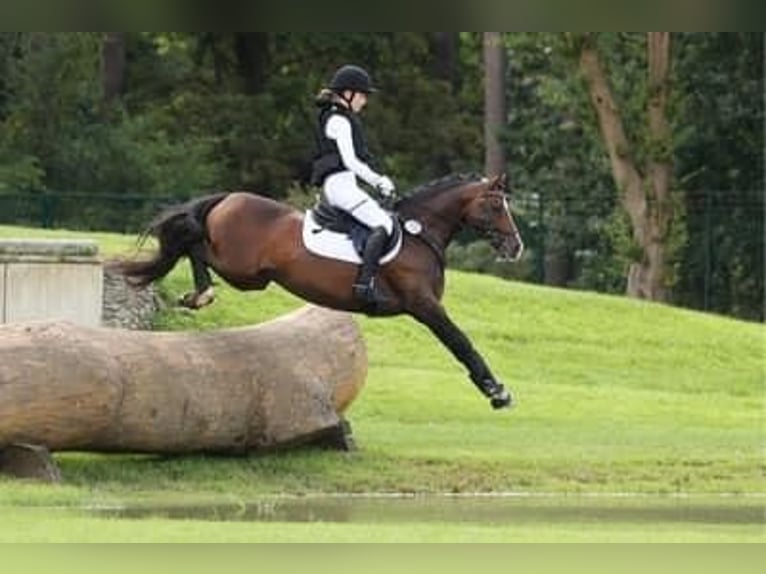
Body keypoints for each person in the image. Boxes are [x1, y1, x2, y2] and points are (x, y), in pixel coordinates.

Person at [311, 64, 395, 306]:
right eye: (363, 95)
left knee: (379, 221)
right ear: (348, 93)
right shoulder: (339, 120)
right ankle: (363, 286)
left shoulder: (337, 117)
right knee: (383, 224)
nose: (365, 101)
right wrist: (379, 181)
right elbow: (351, 161)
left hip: (343, 185)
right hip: (340, 186)